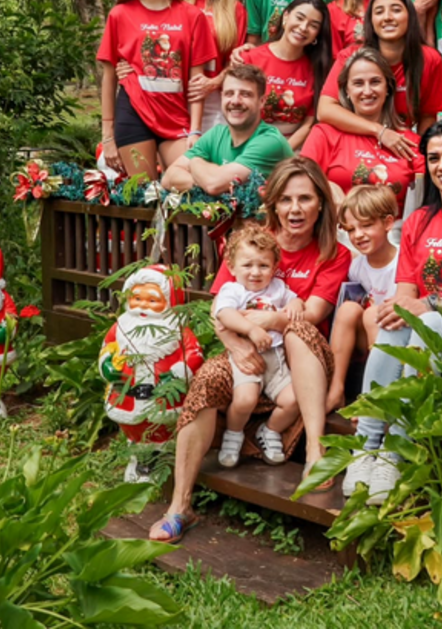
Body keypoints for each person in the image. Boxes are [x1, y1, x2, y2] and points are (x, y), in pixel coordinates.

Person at [149, 157, 351, 543]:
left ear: (321, 204)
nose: (295, 209)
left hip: (302, 363)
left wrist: (266, 320)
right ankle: (180, 506)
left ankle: (315, 454)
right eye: (287, 199)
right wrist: (234, 345)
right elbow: (218, 309)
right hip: (249, 352)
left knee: (296, 330)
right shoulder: (252, 243)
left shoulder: (331, 253)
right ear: (273, 203)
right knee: (209, 377)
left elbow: (313, 314)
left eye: (306, 199)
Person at [345, 119, 442, 503]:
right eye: (433, 158)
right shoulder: (419, 220)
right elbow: (404, 295)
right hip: (423, 333)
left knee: (427, 319)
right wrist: (405, 308)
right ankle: (367, 445)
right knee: (391, 321)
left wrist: (433, 304)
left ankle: (397, 448)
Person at [98, 0, 218, 180]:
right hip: (133, 113)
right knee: (144, 194)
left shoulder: (192, 16)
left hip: (175, 117)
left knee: (192, 184)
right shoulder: (120, 15)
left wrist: (195, 131)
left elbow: (197, 82)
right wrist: (107, 136)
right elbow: (109, 78)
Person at [212, 224, 304, 468]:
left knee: (294, 399)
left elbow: (293, 298)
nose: (255, 272)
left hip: (276, 358)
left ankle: (270, 430)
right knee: (244, 400)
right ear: (231, 267)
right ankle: (233, 434)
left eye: (263, 266)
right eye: (247, 265)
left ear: (274, 268)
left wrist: (296, 304)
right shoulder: (233, 290)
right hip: (248, 356)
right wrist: (251, 329)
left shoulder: (277, 289)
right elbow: (224, 314)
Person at [319, 0, 442, 155]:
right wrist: (379, 131)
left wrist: (421, 157)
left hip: (402, 147)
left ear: (410, 16)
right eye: (379, 12)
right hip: (353, 143)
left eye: (396, 10)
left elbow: (428, 117)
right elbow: (325, 110)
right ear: (371, 21)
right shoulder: (351, 56)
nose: (387, 17)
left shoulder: (429, 59)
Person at [302, 47, 423, 215]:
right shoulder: (324, 134)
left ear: (388, 88)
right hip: (338, 230)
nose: (367, 91)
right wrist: (327, 186)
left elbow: (423, 202)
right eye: (358, 83)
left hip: (393, 235)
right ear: (347, 91)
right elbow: (300, 182)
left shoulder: (410, 142)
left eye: (375, 82)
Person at [161, 64, 293, 193]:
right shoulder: (216, 134)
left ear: (262, 101)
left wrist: (195, 162)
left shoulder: (270, 141)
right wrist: (205, 180)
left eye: (245, 94)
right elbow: (168, 178)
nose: (235, 101)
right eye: (229, 93)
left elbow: (214, 185)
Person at [326, 185, 400, 411]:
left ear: (387, 223)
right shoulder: (357, 266)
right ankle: (336, 389)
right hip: (365, 337)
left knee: (371, 314)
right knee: (349, 309)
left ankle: (377, 396)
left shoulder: (402, 260)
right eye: (350, 229)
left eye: (366, 225)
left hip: (395, 337)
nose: (358, 235)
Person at [178, 0, 248, 132]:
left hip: (216, 99)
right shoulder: (174, 4)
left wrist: (214, 82)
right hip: (176, 98)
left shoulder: (235, 9)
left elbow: (235, 62)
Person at [246, 0, 331, 150]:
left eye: (313, 25)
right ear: (285, 17)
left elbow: (309, 122)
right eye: (299, 18)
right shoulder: (251, 58)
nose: (303, 27)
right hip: (248, 142)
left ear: (317, 34)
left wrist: (282, 150)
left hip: (292, 149)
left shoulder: (318, 68)